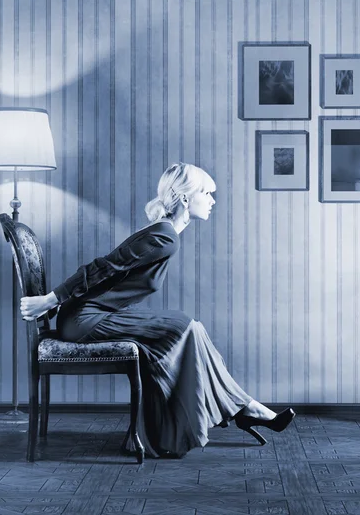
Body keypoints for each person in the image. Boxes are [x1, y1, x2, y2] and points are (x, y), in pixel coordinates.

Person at [19, 162, 295, 459]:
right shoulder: (163, 238)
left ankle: (241, 409)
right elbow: (102, 268)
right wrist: (50, 300)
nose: (213, 201)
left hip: (94, 315)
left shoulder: (163, 233)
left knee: (187, 332)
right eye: (207, 193)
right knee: (187, 327)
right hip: (84, 320)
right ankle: (246, 409)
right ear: (186, 199)